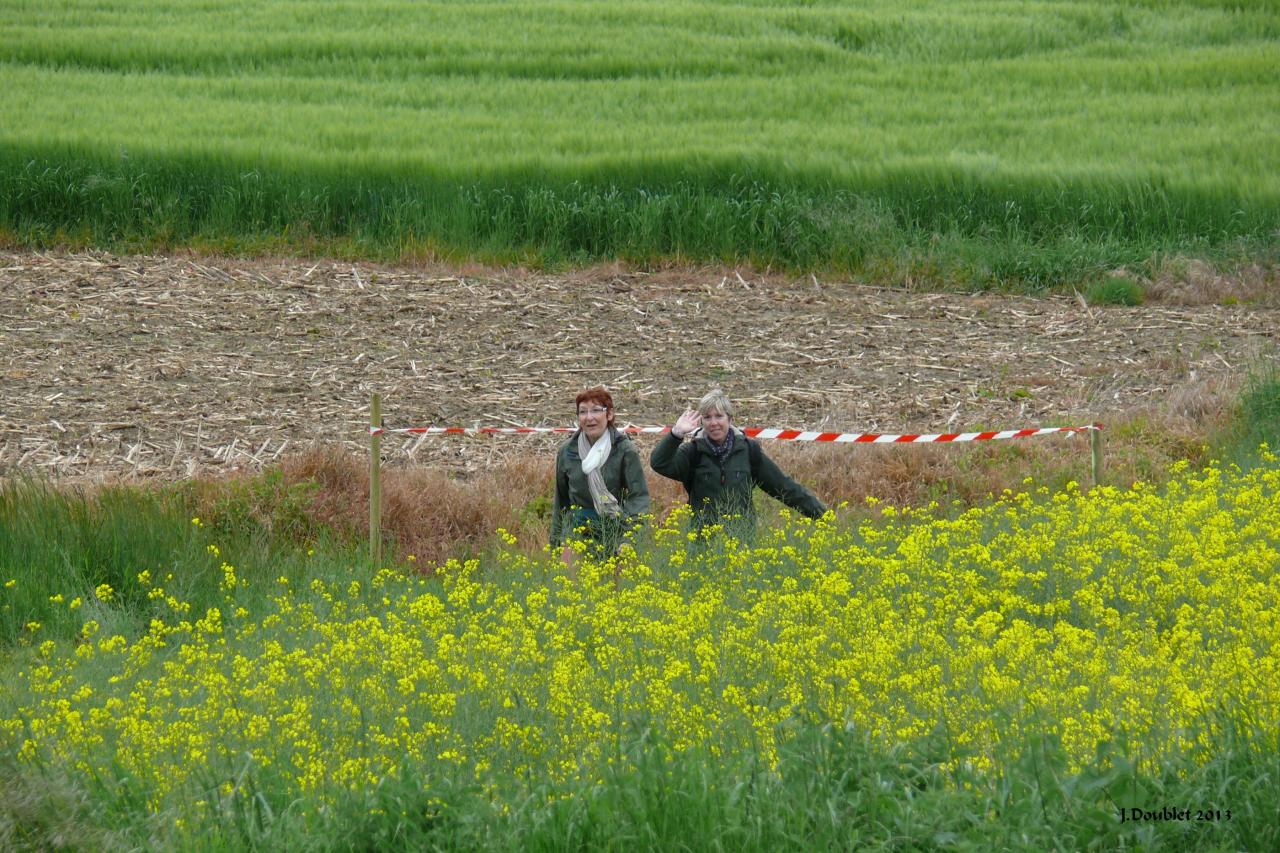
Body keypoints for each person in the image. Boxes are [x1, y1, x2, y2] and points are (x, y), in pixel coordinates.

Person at [651, 389, 826, 536]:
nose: (713, 423)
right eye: (707, 417)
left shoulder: (748, 450)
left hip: (742, 540)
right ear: (701, 421)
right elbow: (659, 463)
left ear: (730, 419)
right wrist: (676, 434)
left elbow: (783, 486)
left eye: (719, 416)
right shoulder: (692, 452)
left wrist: (823, 516)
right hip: (702, 544)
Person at [551, 387, 650, 562]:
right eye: (583, 412)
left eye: (596, 410)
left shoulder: (625, 450)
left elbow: (638, 498)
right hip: (577, 532)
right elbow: (561, 501)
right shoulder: (567, 451)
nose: (589, 417)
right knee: (570, 587)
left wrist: (629, 539)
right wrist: (555, 542)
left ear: (609, 414)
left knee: (617, 588)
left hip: (617, 531)